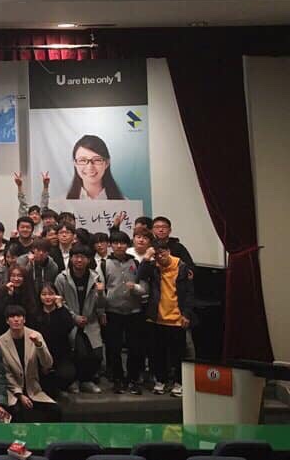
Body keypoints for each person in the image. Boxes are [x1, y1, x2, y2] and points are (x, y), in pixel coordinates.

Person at [137, 239, 195, 397]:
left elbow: (189, 293)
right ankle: (160, 381)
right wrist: (147, 257)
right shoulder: (153, 266)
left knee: (178, 354)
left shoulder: (181, 267)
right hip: (156, 317)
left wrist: (186, 314)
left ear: (169, 251)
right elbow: (139, 275)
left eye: (162, 253)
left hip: (177, 318)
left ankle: (179, 383)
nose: (160, 257)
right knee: (157, 353)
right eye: (156, 254)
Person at [101, 230, 148, 394]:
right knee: (114, 348)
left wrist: (135, 288)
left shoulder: (136, 263)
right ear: (111, 245)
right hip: (112, 311)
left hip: (134, 312)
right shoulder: (104, 264)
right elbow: (100, 289)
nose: (119, 246)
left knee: (135, 347)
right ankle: (118, 379)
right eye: (115, 243)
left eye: (122, 243)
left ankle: (133, 379)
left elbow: (144, 288)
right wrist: (102, 311)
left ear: (128, 245)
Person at [54, 245, 105, 393]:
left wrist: (100, 294)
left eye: (83, 257)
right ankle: (75, 380)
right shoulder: (62, 278)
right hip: (71, 322)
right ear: (71, 258)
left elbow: (102, 304)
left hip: (90, 321)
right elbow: (59, 301)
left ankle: (86, 380)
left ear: (88, 260)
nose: (79, 260)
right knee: (79, 352)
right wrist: (74, 317)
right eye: (76, 256)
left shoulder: (96, 277)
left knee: (97, 354)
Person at [0, 305, 59, 421]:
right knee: (18, 413)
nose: (16, 319)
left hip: (33, 389)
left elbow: (47, 364)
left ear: (24, 319)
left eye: (19, 316)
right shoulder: (0, 342)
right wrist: (20, 395)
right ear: (7, 321)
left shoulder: (36, 335)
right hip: (12, 391)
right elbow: (5, 373)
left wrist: (39, 345)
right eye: (12, 317)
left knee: (55, 410)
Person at [31, 284, 75, 399]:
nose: (47, 297)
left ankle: (58, 388)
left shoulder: (61, 311)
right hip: (40, 354)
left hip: (61, 353)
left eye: (51, 294)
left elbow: (69, 326)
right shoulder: (35, 313)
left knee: (67, 374)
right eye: (44, 294)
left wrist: (60, 307)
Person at [67, 134, 125, 200]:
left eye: (97, 160)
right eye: (83, 160)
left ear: (107, 163)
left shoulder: (125, 204)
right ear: (75, 163)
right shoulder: (62, 203)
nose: (90, 167)